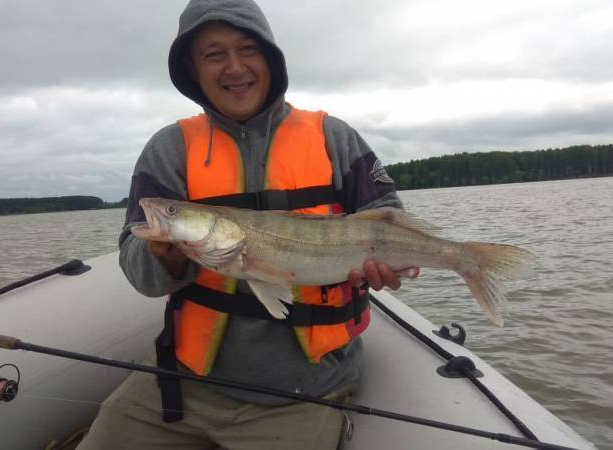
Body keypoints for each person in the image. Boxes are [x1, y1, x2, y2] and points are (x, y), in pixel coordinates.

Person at [77, 1, 415, 449]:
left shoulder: (334, 137)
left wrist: (396, 268)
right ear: (192, 70)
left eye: (248, 48)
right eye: (213, 54)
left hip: (307, 391)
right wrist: (163, 255)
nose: (234, 68)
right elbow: (139, 270)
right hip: (186, 381)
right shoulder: (168, 149)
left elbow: (392, 217)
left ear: (271, 58)